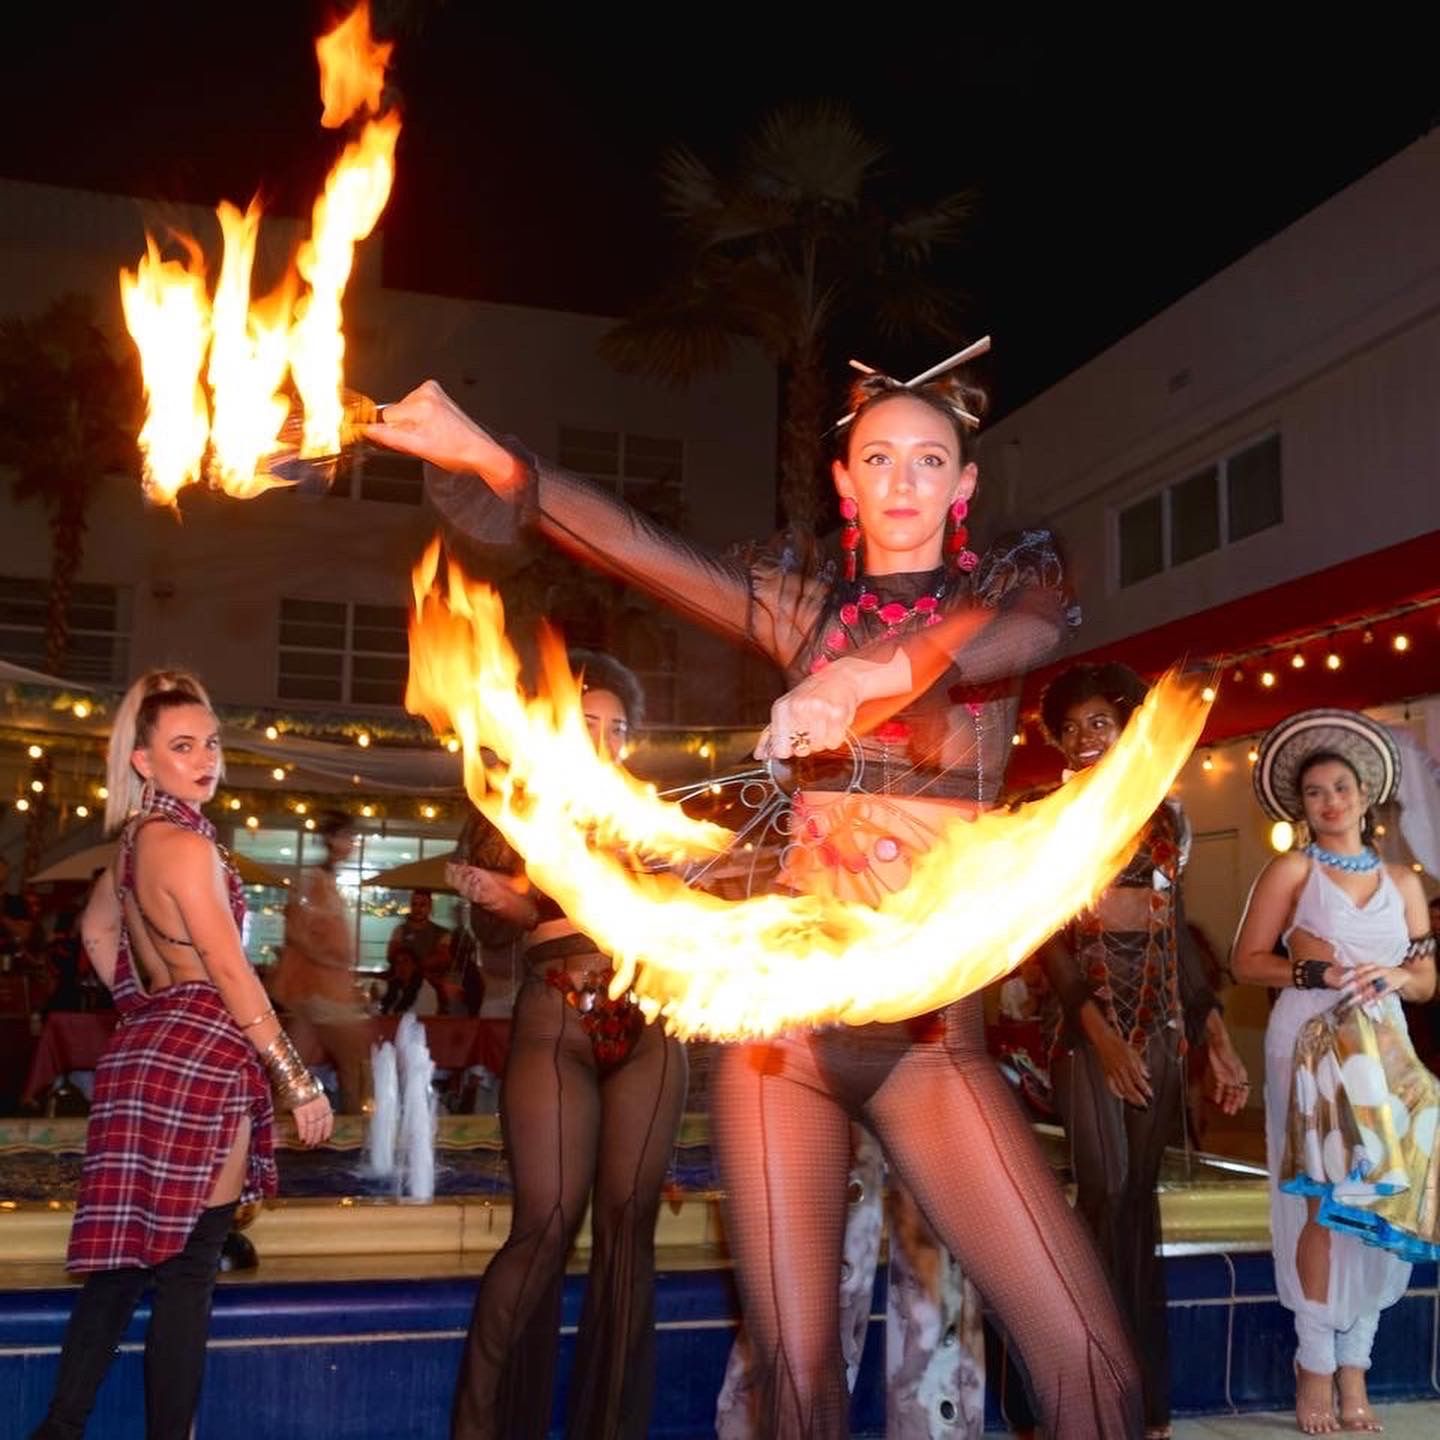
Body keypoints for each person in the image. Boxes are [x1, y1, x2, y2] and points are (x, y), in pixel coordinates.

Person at [366, 362, 1142, 1436]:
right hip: (785, 1042)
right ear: (844, 483)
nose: (904, 479)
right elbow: (636, 545)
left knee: (1092, 1364)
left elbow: (1019, 640)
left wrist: (862, 680)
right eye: (879, 458)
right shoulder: (804, 611)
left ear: (962, 486)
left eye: (928, 460)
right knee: (795, 1379)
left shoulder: (1005, 597)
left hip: (931, 1045)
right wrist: (486, 455)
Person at [28, 669, 332, 1440]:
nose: (205, 761)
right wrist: (297, 1080)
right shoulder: (188, 847)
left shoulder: (128, 850)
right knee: (190, 1273)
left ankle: (61, 1427)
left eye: (212, 744)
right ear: (142, 760)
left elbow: (97, 932)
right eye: (182, 746)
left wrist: (147, 1005)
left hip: (142, 1051)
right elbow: (230, 971)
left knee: (119, 1270)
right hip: (204, 1051)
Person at [444, 651, 689, 1440]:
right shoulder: (515, 803)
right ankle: (479, 1428)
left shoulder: (647, 816)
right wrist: (497, 897)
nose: (608, 740)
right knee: (545, 1224)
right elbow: (501, 931)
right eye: (589, 724)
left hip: (647, 1029)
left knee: (628, 1233)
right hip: (558, 1023)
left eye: (619, 729)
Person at [1031, 662, 1249, 1440]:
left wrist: (1212, 1034)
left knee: (1135, 1206)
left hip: (1159, 1032)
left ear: (1126, 731)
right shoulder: (1045, 817)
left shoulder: (1165, 819)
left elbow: (1179, 943)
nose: (1087, 737)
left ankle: (1141, 1404)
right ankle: (1080, 1395)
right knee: (1105, 1198)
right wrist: (1101, 1037)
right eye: (1074, 726)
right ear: (1056, 738)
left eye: (1102, 723)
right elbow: (1048, 948)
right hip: (1085, 1034)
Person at [1231, 708, 1438, 1435]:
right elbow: (1246, 960)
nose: (1331, 801)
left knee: (1380, 1201)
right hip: (1307, 1044)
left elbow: (1427, 980)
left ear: (1365, 795)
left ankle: (1360, 1366)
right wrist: (1313, 970)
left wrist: (1396, 978)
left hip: (1381, 1054)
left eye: (1341, 787)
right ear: (1302, 805)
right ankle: (1315, 1365)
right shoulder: (1292, 869)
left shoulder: (1404, 882)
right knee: (1322, 1200)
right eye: (1315, 792)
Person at [270, 810, 372, 1112]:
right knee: (356, 1064)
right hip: (320, 988)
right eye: (347, 837)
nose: (352, 844)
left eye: (353, 838)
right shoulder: (313, 880)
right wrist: (330, 960)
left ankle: (272, 1127)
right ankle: (360, 1135)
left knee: (295, 1070)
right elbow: (295, 930)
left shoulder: (325, 880)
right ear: (330, 839)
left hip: (321, 988)